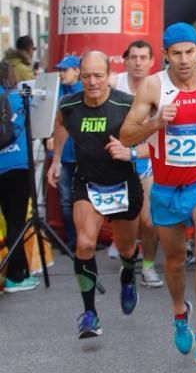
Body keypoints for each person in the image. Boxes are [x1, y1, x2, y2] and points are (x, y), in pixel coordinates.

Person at [120, 23, 196, 364]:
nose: (184, 60)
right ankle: (178, 312)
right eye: (176, 54)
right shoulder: (153, 87)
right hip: (168, 189)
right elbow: (127, 135)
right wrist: (155, 124)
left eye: (189, 52)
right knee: (173, 263)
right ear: (166, 55)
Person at [47, 51, 145, 338]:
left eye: (98, 76)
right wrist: (55, 160)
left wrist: (131, 152)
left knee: (126, 248)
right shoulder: (70, 105)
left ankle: (128, 274)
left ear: (109, 75)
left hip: (122, 184)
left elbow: (153, 140)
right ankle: (90, 313)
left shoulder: (125, 104)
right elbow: (61, 125)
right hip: (87, 183)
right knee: (85, 244)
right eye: (86, 76)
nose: (92, 82)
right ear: (79, 75)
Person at [116, 40, 163, 288]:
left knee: (148, 219)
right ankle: (127, 259)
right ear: (126, 61)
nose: (138, 62)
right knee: (125, 220)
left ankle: (148, 266)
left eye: (143, 58)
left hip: (146, 158)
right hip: (118, 159)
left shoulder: (159, 86)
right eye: (133, 57)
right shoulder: (115, 84)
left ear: (151, 61)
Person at [0, 61, 37, 292]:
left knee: (8, 220)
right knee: (17, 221)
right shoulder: (18, 98)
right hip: (18, 165)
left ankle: (16, 271)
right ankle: (17, 275)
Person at [54, 55, 83, 253]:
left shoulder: (85, 92)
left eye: (65, 70)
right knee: (66, 200)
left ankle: (85, 239)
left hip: (83, 156)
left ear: (76, 71)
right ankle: (73, 240)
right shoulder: (56, 93)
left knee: (85, 200)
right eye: (60, 70)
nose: (61, 74)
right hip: (64, 157)